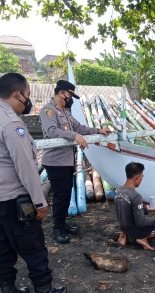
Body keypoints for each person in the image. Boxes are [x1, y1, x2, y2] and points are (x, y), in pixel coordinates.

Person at [0, 73, 67, 293]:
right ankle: (44, 291)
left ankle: (8, 292)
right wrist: (40, 202)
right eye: (27, 96)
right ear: (18, 94)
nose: (27, 101)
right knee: (32, 243)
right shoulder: (12, 124)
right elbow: (26, 166)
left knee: (2, 244)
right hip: (12, 196)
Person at [40, 80, 111, 244]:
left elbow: (79, 128)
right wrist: (74, 136)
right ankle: (57, 228)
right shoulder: (48, 111)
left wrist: (98, 130)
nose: (70, 98)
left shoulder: (65, 111)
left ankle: (62, 223)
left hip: (66, 161)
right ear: (60, 93)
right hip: (55, 161)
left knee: (65, 193)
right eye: (69, 95)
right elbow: (51, 132)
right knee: (60, 195)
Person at [115, 162, 155, 251]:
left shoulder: (119, 191)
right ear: (137, 177)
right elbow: (140, 222)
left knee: (142, 219)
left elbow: (127, 210)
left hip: (124, 227)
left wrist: (145, 209)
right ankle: (141, 238)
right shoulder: (136, 196)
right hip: (134, 230)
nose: (142, 179)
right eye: (142, 176)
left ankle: (124, 234)